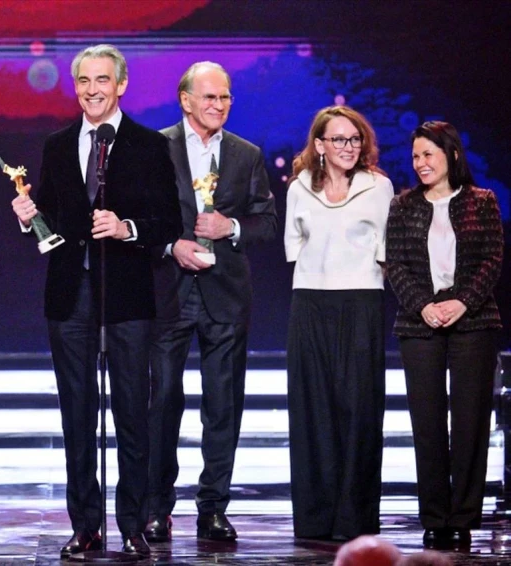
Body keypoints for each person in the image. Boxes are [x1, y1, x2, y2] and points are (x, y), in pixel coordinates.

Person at [11, 44, 181, 558]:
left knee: (131, 413)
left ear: (121, 85)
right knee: (77, 415)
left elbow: (169, 223)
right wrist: (28, 217)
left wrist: (126, 227)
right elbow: (52, 218)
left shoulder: (148, 145)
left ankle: (132, 523)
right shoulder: (58, 144)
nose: (92, 90)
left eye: (102, 80)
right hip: (71, 297)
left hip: (126, 297)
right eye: (84, 81)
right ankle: (85, 524)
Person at [146, 61, 276, 543]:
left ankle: (214, 508)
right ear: (185, 100)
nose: (218, 105)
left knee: (223, 406)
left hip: (225, 296)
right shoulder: (155, 148)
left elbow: (267, 222)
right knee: (162, 402)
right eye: (209, 97)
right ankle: (157, 507)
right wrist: (171, 246)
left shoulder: (246, 155)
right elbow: (138, 220)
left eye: (225, 97)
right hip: (169, 293)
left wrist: (231, 226)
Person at [386, 121, 503, 549]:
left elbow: (492, 258)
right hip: (420, 323)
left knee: (470, 421)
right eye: (415, 156)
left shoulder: (481, 201)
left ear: (451, 155)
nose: (420, 163)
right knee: (428, 423)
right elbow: (395, 263)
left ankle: (464, 517)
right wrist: (423, 305)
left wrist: (463, 302)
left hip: (473, 321)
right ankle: (435, 517)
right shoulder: (403, 206)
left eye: (428, 155)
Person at [284, 106, 394, 540]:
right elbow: (295, 246)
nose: (348, 147)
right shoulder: (299, 188)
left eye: (354, 139)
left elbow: (385, 250)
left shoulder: (378, 187)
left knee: (358, 409)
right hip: (310, 301)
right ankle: (315, 517)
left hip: (361, 301)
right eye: (339, 139)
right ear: (320, 145)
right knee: (312, 409)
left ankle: (354, 517)